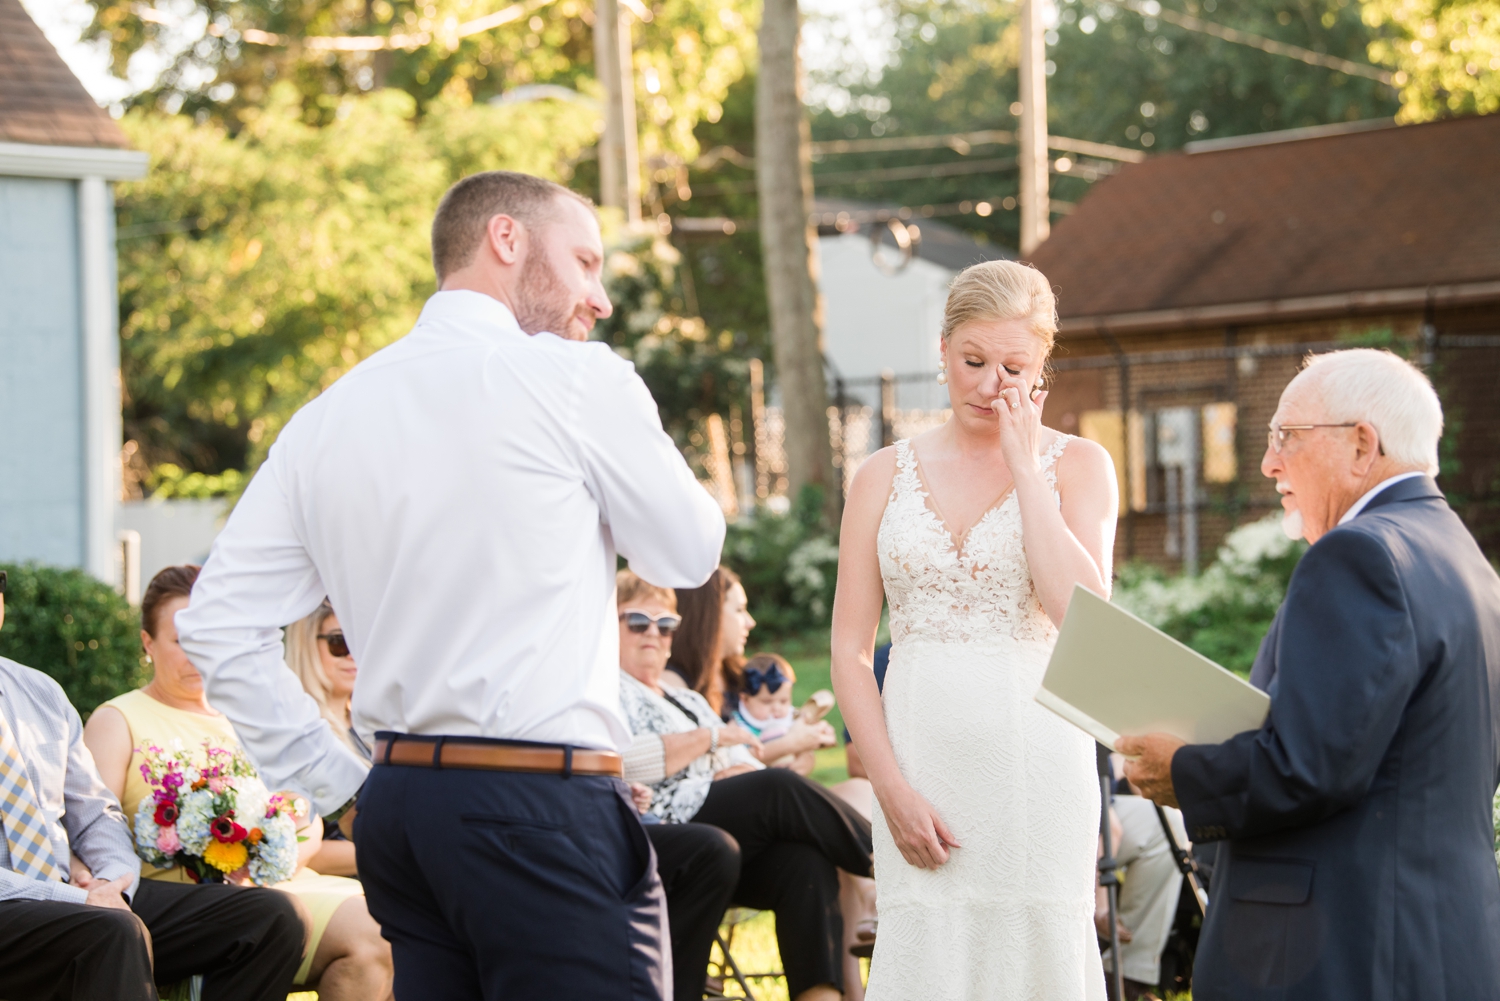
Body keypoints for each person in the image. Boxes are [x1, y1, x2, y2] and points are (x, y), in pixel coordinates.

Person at [174, 170, 726, 1000]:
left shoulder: (328, 416)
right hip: (541, 802)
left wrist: (341, 785)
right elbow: (688, 551)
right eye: (585, 261)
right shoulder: (575, 381)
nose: (599, 298)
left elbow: (216, 620)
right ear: (506, 239)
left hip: (400, 810)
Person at [1121, 348, 1500, 1000]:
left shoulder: (1360, 554)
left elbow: (1310, 766)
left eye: (1285, 437)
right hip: (1442, 942)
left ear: (1361, 444)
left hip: (1346, 954)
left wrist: (1178, 768)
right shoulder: (1467, 563)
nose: (1269, 462)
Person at [831, 259, 1119, 1000]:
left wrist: (1026, 469)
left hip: (1038, 768)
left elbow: (1082, 620)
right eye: (974, 361)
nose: (992, 383)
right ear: (943, 349)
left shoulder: (1080, 466)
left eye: (1014, 366)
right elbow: (850, 650)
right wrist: (889, 784)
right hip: (920, 763)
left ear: (1042, 364)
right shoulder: (879, 476)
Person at [83, 565, 393, 1000]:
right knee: (370, 934)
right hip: (172, 901)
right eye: (180, 641)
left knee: (396, 920)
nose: (196, 655)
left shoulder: (247, 718)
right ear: (147, 644)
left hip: (271, 886)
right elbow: (92, 825)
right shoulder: (117, 720)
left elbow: (307, 820)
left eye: (206, 639)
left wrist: (273, 855)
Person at [0, 570, 305, 1001]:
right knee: (109, 930)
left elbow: (94, 812)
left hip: (79, 900)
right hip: (22, 903)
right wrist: (70, 898)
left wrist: (112, 883)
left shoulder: (40, 692)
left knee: (272, 917)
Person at [617, 570, 874, 1001]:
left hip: (713, 817)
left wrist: (736, 769)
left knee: (802, 862)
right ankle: (881, 864)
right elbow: (622, 761)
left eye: (666, 626)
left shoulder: (687, 700)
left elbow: (742, 760)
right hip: (660, 822)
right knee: (774, 788)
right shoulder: (607, 690)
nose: (654, 634)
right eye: (639, 622)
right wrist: (710, 740)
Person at [284, 600, 365, 877]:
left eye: (360, 641)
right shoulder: (297, 736)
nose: (353, 654)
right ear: (306, 647)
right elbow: (304, 848)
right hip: (334, 889)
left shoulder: (372, 729)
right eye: (339, 643)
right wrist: (401, 853)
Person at [732, 653, 836, 775]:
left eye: (783, 701)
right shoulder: (738, 726)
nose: (776, 708)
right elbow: (734, 758)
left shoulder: (792, 717)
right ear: (745, 700)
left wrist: (823, 733)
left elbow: (815, 734)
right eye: (767, 702)